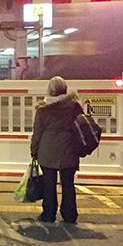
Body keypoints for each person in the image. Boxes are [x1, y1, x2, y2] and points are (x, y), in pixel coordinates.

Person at [29, 76, 84, 224]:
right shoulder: (75, 107)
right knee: (68, 184)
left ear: (50, 91)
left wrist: (34, 150)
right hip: (69, 150)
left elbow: (37, 133)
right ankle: (70, 215)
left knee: (49, 184)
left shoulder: (43, 110)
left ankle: (49, 213)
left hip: (47, 151)